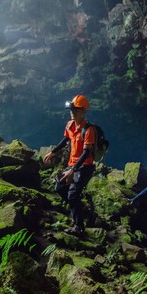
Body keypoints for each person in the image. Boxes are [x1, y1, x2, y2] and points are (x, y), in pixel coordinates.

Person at [43, 94, 96, 235]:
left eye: (76, 110)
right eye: (71, 110)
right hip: (72, 164)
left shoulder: (88, 130)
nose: (72, 112)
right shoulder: (69, 125)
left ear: (83, 111)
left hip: (85, 166)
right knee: (59, 187)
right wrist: (53, 152)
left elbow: (86, 153)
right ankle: (80, 208)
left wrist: (73, 170)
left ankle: (79, 227)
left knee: (72, 194)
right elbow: (65, 139)